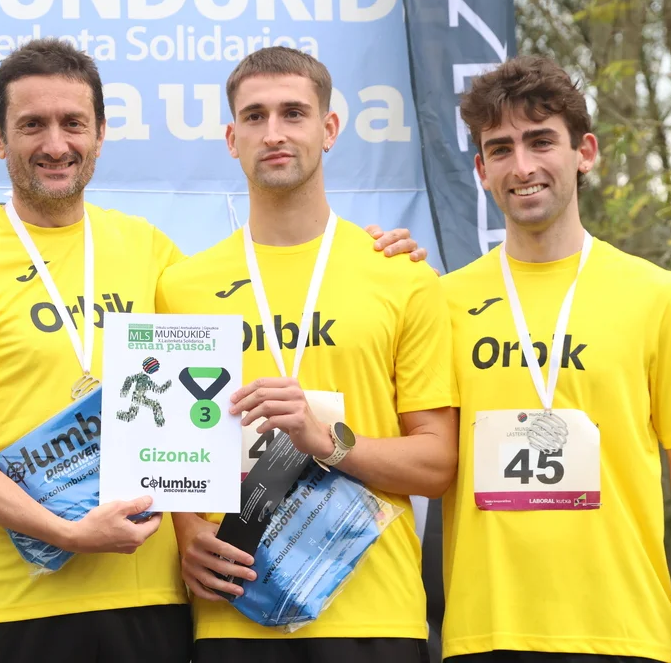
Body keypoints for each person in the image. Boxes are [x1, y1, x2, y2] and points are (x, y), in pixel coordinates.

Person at [0, 38, 423, 663]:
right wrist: (67, 531)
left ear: (100, 134)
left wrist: (373, 252)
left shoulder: (154, 256)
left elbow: (264, 296)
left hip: (152, 603)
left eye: (73, 123)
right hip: (14, 605)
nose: (56, 144)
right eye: (32, 125)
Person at [157, 46, 458, 663]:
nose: (274, 132)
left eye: (293, 113)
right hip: (234, 612)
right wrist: (186, 529)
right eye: (255, 116)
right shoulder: (181, 287)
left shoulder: (402, 277)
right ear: (231, 138)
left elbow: (437, 464)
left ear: (329, 128)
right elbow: (167, 455)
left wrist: (327, 443)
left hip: (374, 614)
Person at [437, 56, 671, 663]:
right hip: (486, 634)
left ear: (586, 152)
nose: (522, 167)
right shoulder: (440, 303)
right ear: (481, 170)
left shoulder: (656, 294)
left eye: (541, 141)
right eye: (500, 149)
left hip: (627, 633)